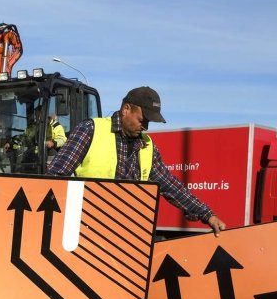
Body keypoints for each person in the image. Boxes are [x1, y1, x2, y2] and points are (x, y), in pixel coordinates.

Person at [47, 86, 226, 236]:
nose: (145, 127)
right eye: (142, 119)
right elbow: (54, 178)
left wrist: (207, 215)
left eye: (149, 122)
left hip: (129, 234)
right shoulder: (90, 130)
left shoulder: (147, 146)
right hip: (88, 230)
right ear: (126, 109)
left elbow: (171, 186)